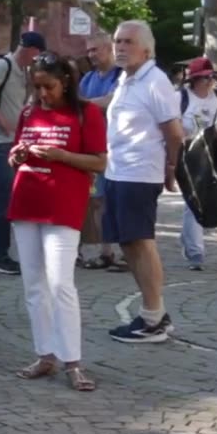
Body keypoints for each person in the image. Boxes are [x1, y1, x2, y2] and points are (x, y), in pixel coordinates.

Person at [8, 54, 107, 392]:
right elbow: (15, 153)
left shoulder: (86, 113)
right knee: (34, 285)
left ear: (65, 81)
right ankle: (44, 354)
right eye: (36, 88)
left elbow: (100, 162)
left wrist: (62, 156)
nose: (42, 94)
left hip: (63, 205)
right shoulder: (28, 112)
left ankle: (73, 361)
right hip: (27, 199)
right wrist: (17, 155)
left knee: (60, 283)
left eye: (48, 87)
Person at [103, 21, 183, 344]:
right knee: (128, 243)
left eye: (128, 42)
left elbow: (174, 132)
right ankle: (155, 313)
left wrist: (172, 166)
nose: (120, 47)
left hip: (139, 172)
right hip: (117, 170)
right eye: (117, 41)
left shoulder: (155, 80)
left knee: (140, 241)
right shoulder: (126, 78)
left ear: (146, 49)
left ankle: (153, 318)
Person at [0, 31, 46, 276]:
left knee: (9, 198)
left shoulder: (23, 70)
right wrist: (1, 119)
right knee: (6, 198)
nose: (36, 59)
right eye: (36, 55)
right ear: (31, 51)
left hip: (11, 143)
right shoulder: (4, 65)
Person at [78, 32, 123, 270]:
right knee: (94, 200)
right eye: (89, 51)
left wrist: (85, 105)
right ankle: (98, 250)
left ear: (109, 48)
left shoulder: (121, 76)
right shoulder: (87, 79)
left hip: (117, 149)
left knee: (111, 200)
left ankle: (113, 249)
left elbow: (112, 101)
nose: (91, 55)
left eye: (95, 50)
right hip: (93, 149)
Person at [177, 57, 217, 271]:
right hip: (184, 155)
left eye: (212, 77)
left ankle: (190, 242)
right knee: (194, 200)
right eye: (204, 78)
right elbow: (171, 124)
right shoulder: (181, 98)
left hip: (209, 155)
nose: (209, 81)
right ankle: (195, 251)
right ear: (193, 80)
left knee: (197, 202)